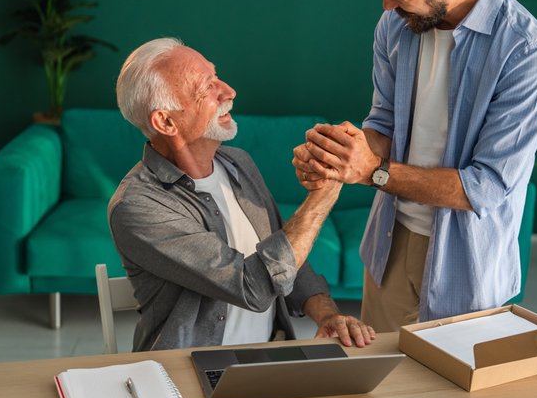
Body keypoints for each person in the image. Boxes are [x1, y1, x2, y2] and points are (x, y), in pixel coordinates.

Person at [294, 0, 537, 332]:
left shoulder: (525, 52)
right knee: (380, 389)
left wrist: (372, 171)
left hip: (468, 261)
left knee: (450, 397)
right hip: (390, 245)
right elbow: (383, 125)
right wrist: (341, 155)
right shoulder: (396, 27)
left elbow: (487, 187)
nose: (386, 6)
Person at [110, 37, 375, 351]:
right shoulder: (138, 205)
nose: (229, 91)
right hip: (189, 370)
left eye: (216, 76)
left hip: (269, 355)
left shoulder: (239, 163)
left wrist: (327, 315)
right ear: (165, 121)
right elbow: (254, 286)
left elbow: (287, 258)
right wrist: (327, 189)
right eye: (206, 87)